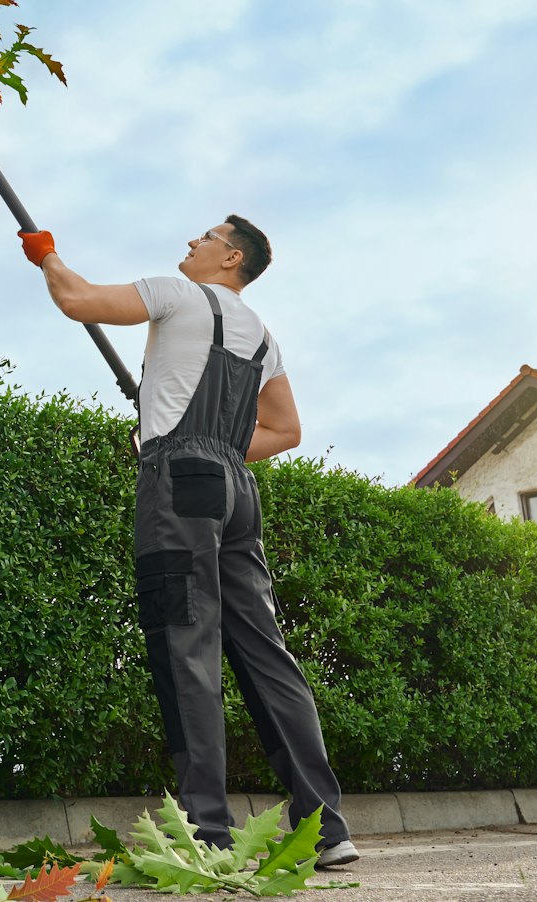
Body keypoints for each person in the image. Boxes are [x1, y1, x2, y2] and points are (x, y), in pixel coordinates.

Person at [20, 217, 358, 870]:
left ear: (232, 258)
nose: (189, 245)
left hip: (180, 485)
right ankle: (326, 827)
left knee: (186, 645)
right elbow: (285, 431)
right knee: (267, 656)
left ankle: (209, 834)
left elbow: (78, 301)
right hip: (235, 492)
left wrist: (47, 256)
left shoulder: (171, 295)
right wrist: (216, 448)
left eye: (204, 238)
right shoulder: (264, 337)